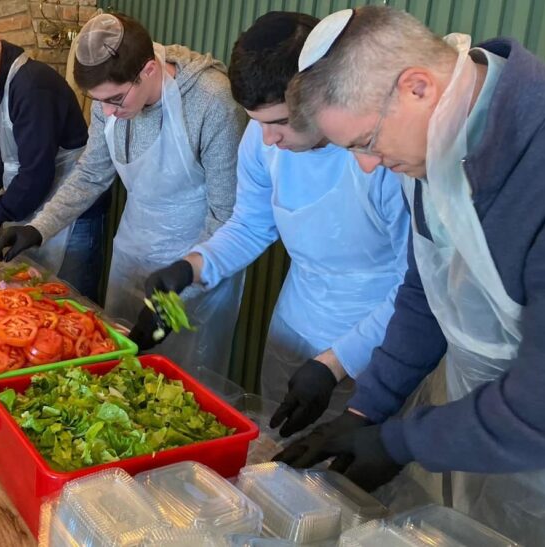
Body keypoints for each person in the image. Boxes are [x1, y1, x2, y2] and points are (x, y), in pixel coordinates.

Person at [275, 6, 545, 545]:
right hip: (478, 427)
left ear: (416, 87)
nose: (367, 166)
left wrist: (402, 442)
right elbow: (427, 292)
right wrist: (367, 407)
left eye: (364, 144)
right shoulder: (437, 137)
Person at [136, 12, 409, 420]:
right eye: (257, 122)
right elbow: (249, 225)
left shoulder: (385, 158)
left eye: (281, 122)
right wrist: (190, 268)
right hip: (295, 323)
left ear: (323, 94)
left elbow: (416, 287)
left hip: (379, 338)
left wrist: (338, 361)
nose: (269, 139)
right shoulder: (262, 139)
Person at [0, 13, 246, 375]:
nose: (108, 113)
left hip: (196, 270)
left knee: (180, 388)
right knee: (120, 373)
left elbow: (226, 217)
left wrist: (174, 299)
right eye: (98, 102)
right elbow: (91, 173)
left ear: (150, 70)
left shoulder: (213, 102)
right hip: (132, 252)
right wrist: (38, 228)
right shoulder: (111, 99)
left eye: (116, 100)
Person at [0, 10, 106, 300]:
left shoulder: (30, 84)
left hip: (73, 217)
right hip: (30, 208)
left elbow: (37, 173)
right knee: (36, 303)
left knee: (71, 305)